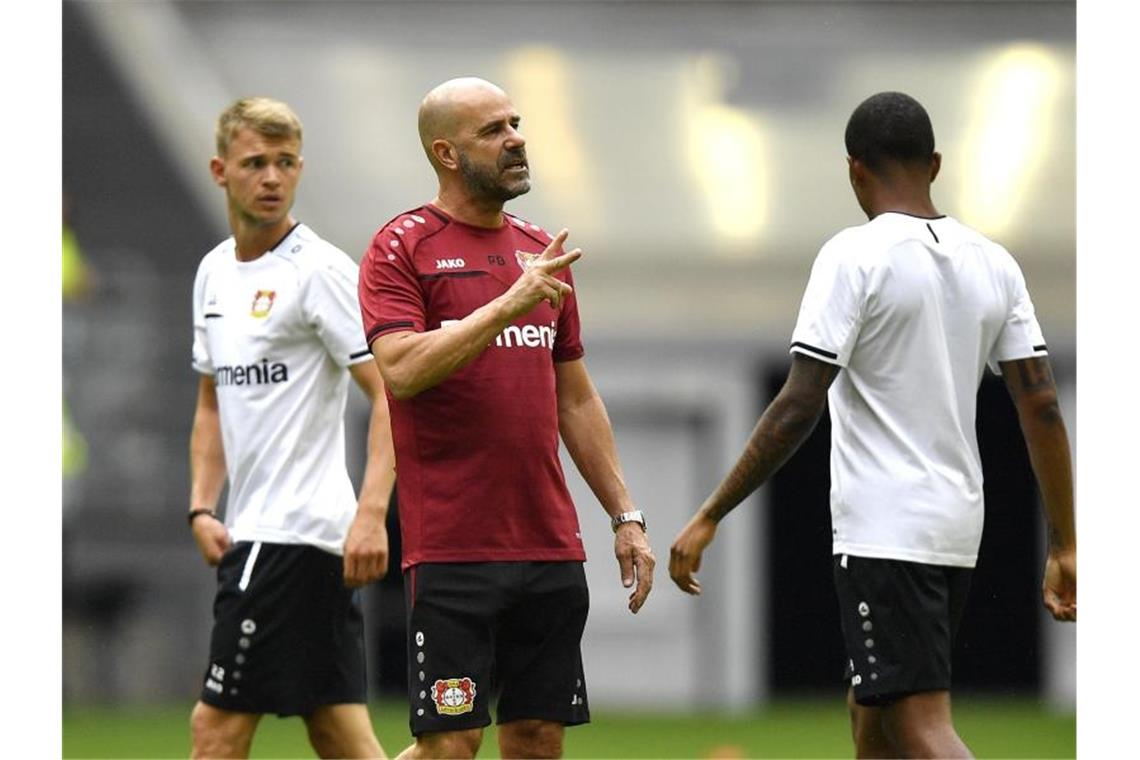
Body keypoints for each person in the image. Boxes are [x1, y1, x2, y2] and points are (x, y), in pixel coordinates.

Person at [669, 91, 1076, 759]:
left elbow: (799, 402)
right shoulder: (995, 263)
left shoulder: (853, 256)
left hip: (886, 528)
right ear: (936, 164)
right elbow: (1043, 406)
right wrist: (1064, 543)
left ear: (854, 170)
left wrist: (712, 511)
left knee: (920, 723)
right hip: (955, 525)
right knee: (873, 716)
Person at [357, 77, 656, 760]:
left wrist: (625, 516)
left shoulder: (541, 251)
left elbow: (575, 398)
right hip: (454, 550)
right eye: (493, 130)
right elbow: (399, 370)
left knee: (535, 737)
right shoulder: (402, 247)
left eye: (515, 123)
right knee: (452, 744)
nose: (516, 138)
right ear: (448, 153)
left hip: (548, 545)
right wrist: (504, 307)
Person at [187, 97, 394, 760]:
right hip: (258, 532)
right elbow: (212, 401)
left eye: (284, 163)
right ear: (222, 171)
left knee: (214, 727)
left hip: (296, 537)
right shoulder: (214, 273)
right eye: (255, 163)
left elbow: (390, 394)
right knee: (338, 731)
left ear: (300, 169)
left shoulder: (322, 271)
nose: (271, 177)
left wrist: (371, 514)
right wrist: (201, 503)